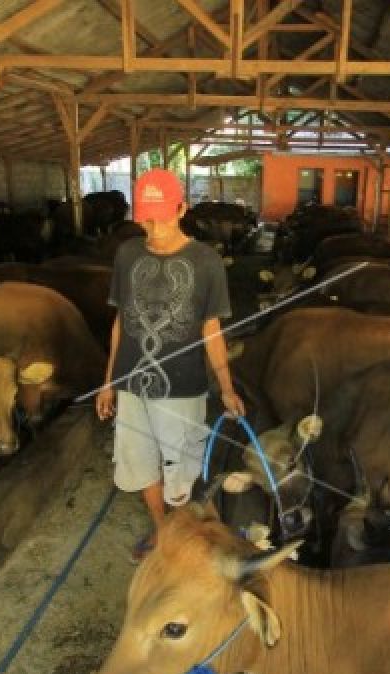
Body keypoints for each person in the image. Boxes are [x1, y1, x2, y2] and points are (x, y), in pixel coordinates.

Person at [95, 169, 244, 558]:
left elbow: (211, 328)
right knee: (140, 463)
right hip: (131, 385)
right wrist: (109, 381)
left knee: (181, 469)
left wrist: (226, 387)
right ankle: (162, 531)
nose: (153, 228)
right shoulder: (128, 254)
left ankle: (183, 533)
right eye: (145, 218)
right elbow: (120, 322)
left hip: (182, 388)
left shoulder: (205, 260)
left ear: (181, 209)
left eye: (160, 218)